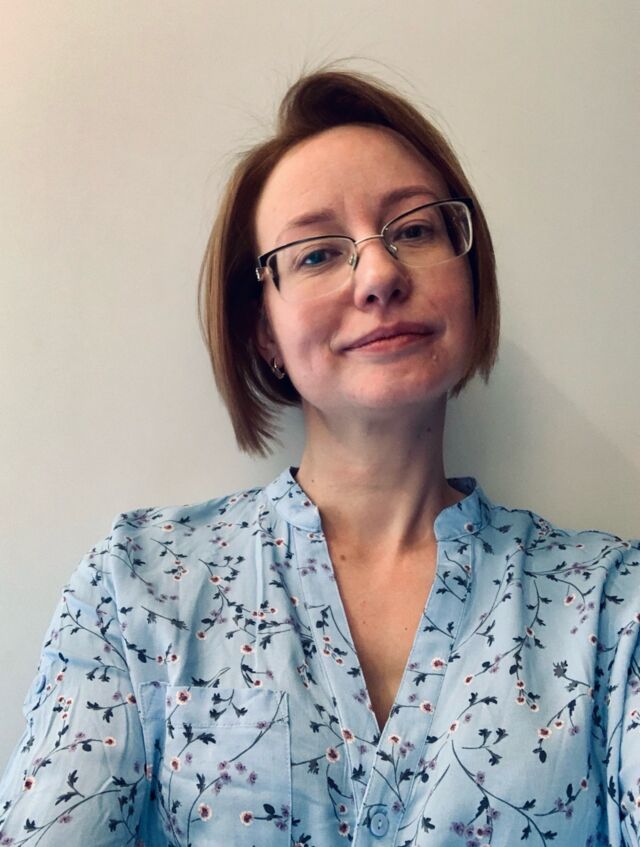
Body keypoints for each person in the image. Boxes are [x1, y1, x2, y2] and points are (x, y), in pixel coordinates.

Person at [1, 68, 638, 847]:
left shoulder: (610, 606)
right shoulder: (138, 587)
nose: (380, 274)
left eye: (414, 230)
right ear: (263, 330)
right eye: (315, 253)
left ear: (471, 281)